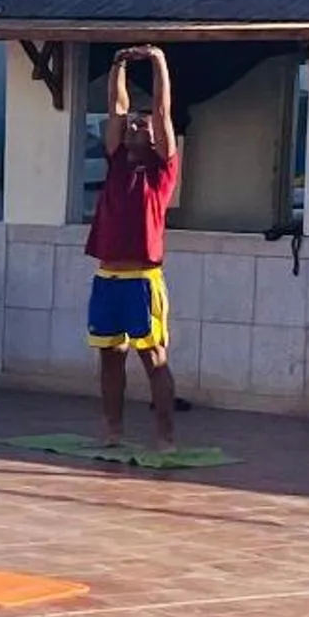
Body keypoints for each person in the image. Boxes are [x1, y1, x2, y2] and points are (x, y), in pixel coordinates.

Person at [88, 45, 181, 450]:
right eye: (131, 125)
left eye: (140, 126)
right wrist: (119, 64)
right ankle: (113, 430)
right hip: (108, 276)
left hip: (143, 279)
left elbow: (161, 112)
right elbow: (116, 105)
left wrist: (158, 61)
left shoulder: (162, 169)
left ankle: (164, 435)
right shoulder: (116, 159)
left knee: (153, 358)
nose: (134, 127)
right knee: (110, 356)